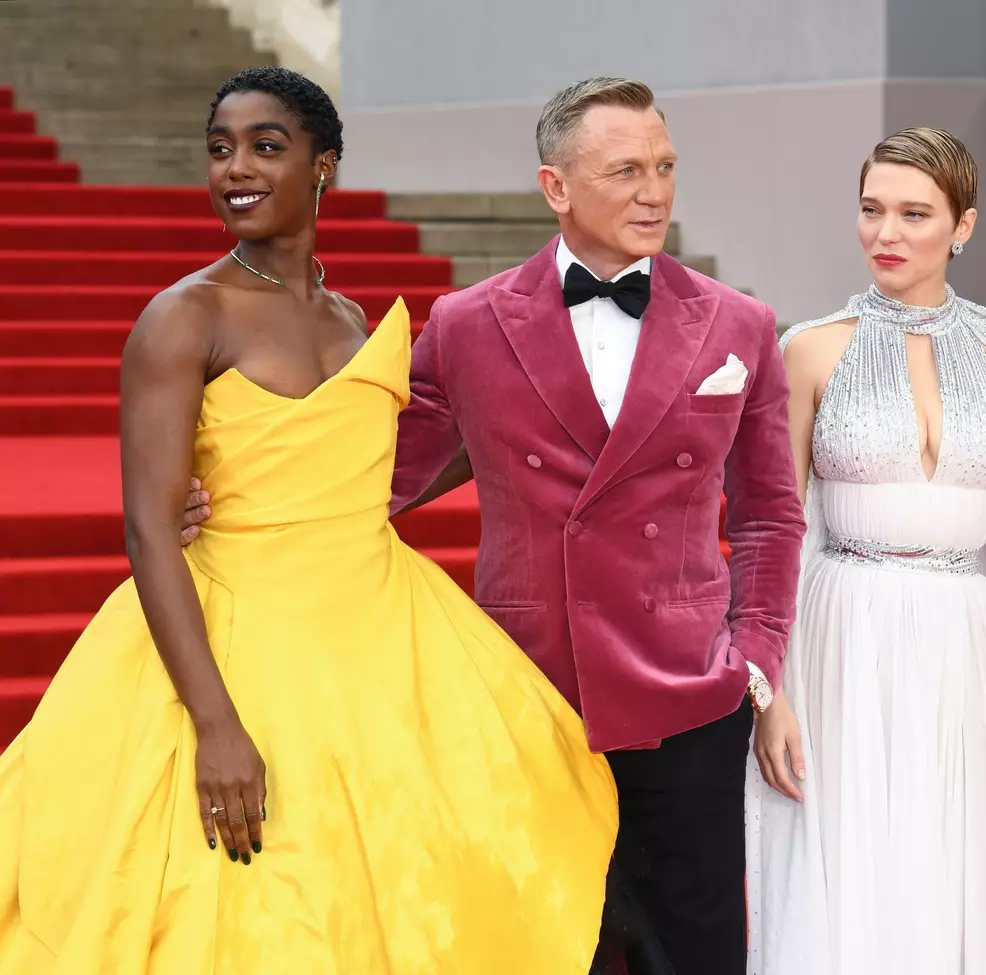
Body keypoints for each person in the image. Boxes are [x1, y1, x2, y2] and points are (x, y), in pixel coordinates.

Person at [0, 67, 618, 973]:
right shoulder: (182, 318)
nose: (235, 168)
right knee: (257, 908)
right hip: (239, 634)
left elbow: (362, 470)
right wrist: (215, 724)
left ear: (323, 166)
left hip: (384, 632)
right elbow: (147, 531)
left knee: (423, 880)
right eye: (219, 149)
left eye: (265, 146)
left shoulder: (350, 316)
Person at [185, 76, 806, 975]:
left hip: (687, 699)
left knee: (698, 951)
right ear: (556, 187)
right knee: (544, 949)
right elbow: (369, 472)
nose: (655, 190)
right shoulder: (471, 325)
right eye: (625, 169)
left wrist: (753, 656)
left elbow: (771, 515)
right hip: (523, 700)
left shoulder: (739, 324)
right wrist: (213, 497)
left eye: (665, 166)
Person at [747, 127, 986, 974]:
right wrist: (770, 692)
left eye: (914, 214)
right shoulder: (809, 346)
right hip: (839, 635)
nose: (886, 234)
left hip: (963, 640)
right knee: (850, 866)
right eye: (872, 210)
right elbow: (773, 527)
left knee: (954, 861)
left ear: (962, 226)